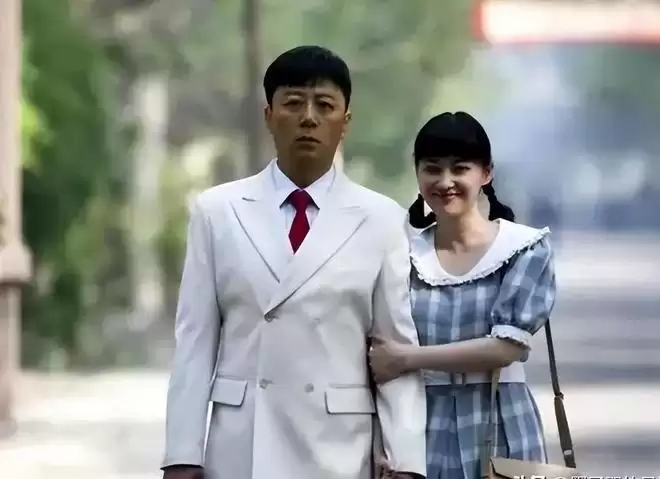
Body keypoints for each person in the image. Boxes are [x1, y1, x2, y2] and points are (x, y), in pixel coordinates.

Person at [161, 45, 427, 479]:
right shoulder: (218, 212)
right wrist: (182, 455)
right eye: (293, 103)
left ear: (345, 121)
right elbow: (194, 342)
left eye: (324, 105)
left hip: (339, 448)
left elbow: (395, 350)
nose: (308, 118)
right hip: (244, 445)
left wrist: (406, 460)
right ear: (269, 115)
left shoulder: (381, 219)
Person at [368, 112, 555, 479]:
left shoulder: (523, 248)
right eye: (432, 169)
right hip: (420, 430)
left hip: (501, 426)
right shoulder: (402, 253)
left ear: (486, 173)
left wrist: (407, 358)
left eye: (460, 168)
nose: (445, 181)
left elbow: (506, 348)